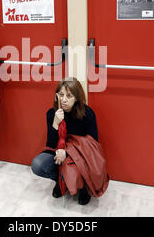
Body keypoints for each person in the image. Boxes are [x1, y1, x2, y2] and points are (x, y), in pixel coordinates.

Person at [31, 77, 104, 205]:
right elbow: (51, 145)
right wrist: (55, 123)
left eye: (69, 96)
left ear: (77, 98)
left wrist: (68, 153)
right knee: (38, 164)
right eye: (61, 95)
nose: (64, 99)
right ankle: (60, 182)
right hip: (58, 152)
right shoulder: (52, 113)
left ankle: (83, 188)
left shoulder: (87, 114)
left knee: (71, 170)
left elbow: (93, 146)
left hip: (81, 157)